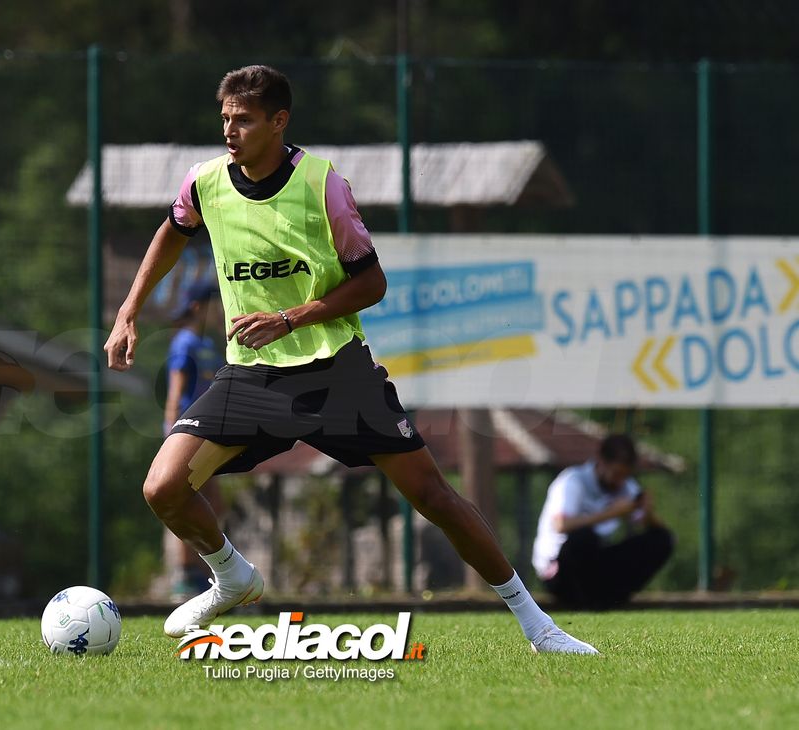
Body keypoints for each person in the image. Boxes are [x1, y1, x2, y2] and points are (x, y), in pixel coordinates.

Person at [104, 64, 598, 654]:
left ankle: (537, 624)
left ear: (279, 121)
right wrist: (129, 309)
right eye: (225, 119)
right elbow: (173, 230)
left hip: (335, 370)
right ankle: (233, 576)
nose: (230, 131)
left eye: (243, 120)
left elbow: (373, 284)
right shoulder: (204, 182)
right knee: (162, 487)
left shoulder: (321, 184)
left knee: (434, 497)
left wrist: (290, 318)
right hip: (251, 375)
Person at [532, 434, 674, 609]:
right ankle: (582, 604)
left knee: (662, 539)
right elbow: (561, 525)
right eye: (616, 474)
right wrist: (610, 513)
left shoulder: (625, 486)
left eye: (625, 475)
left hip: (594, 567)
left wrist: (648, 512)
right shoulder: (572, 480)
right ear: (601, 461)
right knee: (584, 537)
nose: (620, 481)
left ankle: (611, 601)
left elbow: (653, 530)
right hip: (558, 570)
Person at [162, 280, 225, 598]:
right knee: (186, 502)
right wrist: (172, 437)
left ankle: (202, 572)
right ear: (200, 307)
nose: (222, 309)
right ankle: (185, 575)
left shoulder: (208, 346)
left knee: (213, 504)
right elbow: (176, 394)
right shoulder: (185, 343)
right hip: (187, 434)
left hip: (206, 436)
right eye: (216, 303)